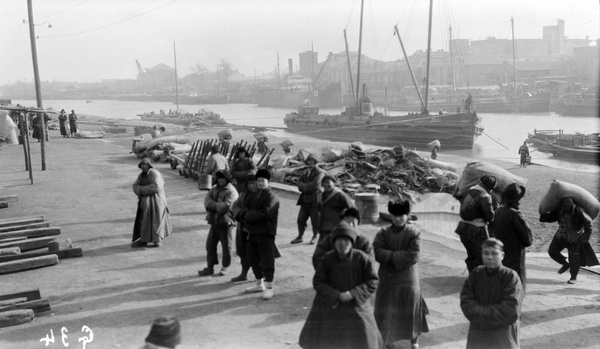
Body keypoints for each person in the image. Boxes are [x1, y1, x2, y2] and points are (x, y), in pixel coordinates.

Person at [299, 222, 383, 349]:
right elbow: (318, 282)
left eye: (346, 240)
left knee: (366, 338)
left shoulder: (361, 258)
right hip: (333, 305)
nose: (342, 244)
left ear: (352, 242)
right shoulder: (327, 259)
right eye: (339, 240)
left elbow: (372, 281)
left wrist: (353, 294)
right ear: (334, 242)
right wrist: (336, 295)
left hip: (357, 305)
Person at [373, 199, 429, 349]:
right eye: (395, 215)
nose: (398, 219)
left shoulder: (414, 233)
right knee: (386, 310)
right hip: (388, 278)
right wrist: (395, 256)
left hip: (408, 278)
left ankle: (414, 341)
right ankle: (388, 341)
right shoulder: (383, 233)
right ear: (391, 216)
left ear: (407, 215)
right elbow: (377, 252)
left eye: (401, 215)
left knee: (410, 308)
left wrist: (390, 256)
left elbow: (413, 255)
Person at [460, 238, 524, 349]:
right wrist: (482, 314)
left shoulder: (510, 276)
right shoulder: (476, 274)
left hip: (502, 334)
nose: (490, 257)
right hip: (478, 333)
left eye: (494, 253)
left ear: (502, 255)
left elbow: (511, 309)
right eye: (486, 253)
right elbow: (466, 300)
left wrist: (482, 314)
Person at [238, 169, 280, 300]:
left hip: (265, 233)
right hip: (252, 232)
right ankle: (259, 284)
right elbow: (243, 208)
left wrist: (247, 215)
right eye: (258, 181)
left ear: (268, 182)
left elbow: (266, 213)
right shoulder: (254, 195)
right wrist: (246, 214)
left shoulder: (272, 197)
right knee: (252, 258)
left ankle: (269, 288)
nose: (260, 183)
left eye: (263, 181)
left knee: (267, 261)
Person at [543, 197, 599, 284]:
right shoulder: (560, 210)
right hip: (561, 235)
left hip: (575, 237)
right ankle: (565, 263)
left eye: (567, 206)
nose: (565, 208)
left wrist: (584, 237)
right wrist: (543, 214)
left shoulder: (578, 210)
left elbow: (589, 224)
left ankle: (573, 277)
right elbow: (550, 218)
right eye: (563, 206)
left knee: (574, 257)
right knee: (552, 251)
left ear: (571, 204)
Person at [489, 183, 532, 290]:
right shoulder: (516, 215)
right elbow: (528, 240)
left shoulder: (499, 212)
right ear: (517, 200)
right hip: (515, 256)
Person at [198, 171, 239, 277]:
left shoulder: (231, 191)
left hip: (227, 222)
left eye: (223, 178)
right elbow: (206, 201)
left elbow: (226, 207)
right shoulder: (214, 188)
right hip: (214, 221)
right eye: (219, 178)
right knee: (210, 245)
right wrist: (216, 205)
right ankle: (210, 267)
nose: (221, 180)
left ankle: (225, 267)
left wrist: (213, 205)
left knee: (227, 246)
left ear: (227, 179)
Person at [455, 175, 498, 272]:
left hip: (463, 228)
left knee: (471, 255)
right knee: (481, 257)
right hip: (476, 231)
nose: (491, 191)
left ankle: (472, 276)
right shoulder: (484, 197)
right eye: (491, 189)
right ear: (488, 187)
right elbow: (490, 217)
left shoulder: (468, 191)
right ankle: (478, 279)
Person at [132, 158, 172, 248]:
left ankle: (157, 240)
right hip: (145, 203)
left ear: (149, 165)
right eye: (142, 165)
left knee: (156, 220)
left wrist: (142, 189)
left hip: (157, 202)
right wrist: (142, 190)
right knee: (144, 220)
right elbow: (135, 186)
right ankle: (144, 239)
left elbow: (156, 187)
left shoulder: (155, 174)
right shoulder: (141, 176)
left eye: (145, 165)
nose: (143, 167)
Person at [291, 155, 324, 244]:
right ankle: (300, 236)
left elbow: (315, 185)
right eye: (308, 163)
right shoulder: (305, 172)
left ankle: (315, 236)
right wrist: (303, 186)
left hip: (315, 199)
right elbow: (299, 182)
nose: (310, 165)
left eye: (312, 163)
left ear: (315, 163)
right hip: (305, 199)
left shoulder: (320, 172)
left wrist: (303, 186)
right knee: (300, 219)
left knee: (315, 220)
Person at [230, 174, 257, 282]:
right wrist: (241, 215)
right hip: (243, 225)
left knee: (257, 251)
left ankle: (260, 275)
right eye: (249, 183)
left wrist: (251, 216)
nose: (251, 185)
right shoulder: (243, 195)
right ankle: (244, 273)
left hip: (256, 228)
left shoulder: (262, 195)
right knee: (242, 251)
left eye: (253, 183)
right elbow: (235, 206)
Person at [316, 175, 355, 244]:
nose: (326, 185)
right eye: (324, 183)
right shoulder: (323, 195)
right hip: (324, 228)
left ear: (334, 183)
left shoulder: (340, 195)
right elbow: (320, 210)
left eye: (328, 182)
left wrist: (350, 225)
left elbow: (353, 210)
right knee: (321, 250)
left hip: (336, 228)